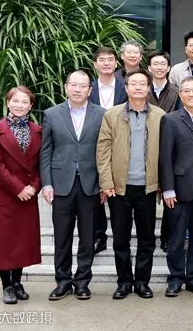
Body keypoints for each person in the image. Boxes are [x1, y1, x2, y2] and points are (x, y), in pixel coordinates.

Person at [96, 70, 166, 300]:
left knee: (147, 239)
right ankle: (124, 282)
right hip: (119, 188)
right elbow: (103, 151)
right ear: (125, 88)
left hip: (147, 188)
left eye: (142, 84)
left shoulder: (159, 115)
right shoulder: (112, 115)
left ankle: (142, 282)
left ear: (148, 88)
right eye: (133, 84)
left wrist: (163, 184)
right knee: (120, 239)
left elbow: (166, 153)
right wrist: (106, 182)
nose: (137, 87)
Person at [40, 71, 105, 301]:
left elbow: (105, 151)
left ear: (90, 90)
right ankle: (63, 282)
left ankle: (82, 282)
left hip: (90, 184)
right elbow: (45, 151)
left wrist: (104, 184)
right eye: (74, 85)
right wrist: (47, 183)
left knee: (88, 238)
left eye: (83, 86)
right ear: (66, 87)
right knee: (62, 236)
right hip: (61, 184)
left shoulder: (101, 114)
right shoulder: (51, 114)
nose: (78, 89)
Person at [0, 86, 42, 304]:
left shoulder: (38, 131)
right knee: (3, 242)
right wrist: (18, 188)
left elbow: (41, 164)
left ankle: (17, 282)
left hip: (28, 195)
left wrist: (33, 187)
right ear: (8, 103)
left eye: (24, 102)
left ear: (31, 106)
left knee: (22, 241)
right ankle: (6, 286)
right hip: (5, 194)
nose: (19, 105)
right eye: (15, 101)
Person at [159, 76, 193, 298]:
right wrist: (167, 188)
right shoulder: (170, 120)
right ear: (180, 95)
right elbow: (165, 157)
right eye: (187, 91)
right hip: (179, 188)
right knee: (177, 237)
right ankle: (175, 278)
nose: (191, 94)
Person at [89, 47, 128, 256]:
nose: (106, 63)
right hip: (91, 146)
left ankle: (120, 237)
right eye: (102, 60)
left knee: (116, 195)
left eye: (110, 60)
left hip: (119, 147)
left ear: (116, 63)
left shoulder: (125, 87)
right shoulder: (88, 88)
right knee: (95, 192)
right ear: (95, 64)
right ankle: (99, 235)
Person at [147, 49, 181, 253]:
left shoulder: (177, 92)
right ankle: (148, 237)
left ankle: (167, 236)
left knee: (170, 190)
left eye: (163, 64)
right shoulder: (142, 90)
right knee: (149, 195)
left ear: (169, 68)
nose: (159, 67)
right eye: (155, 64)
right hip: (147, 148)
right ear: (149, 68)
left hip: (171, 147)